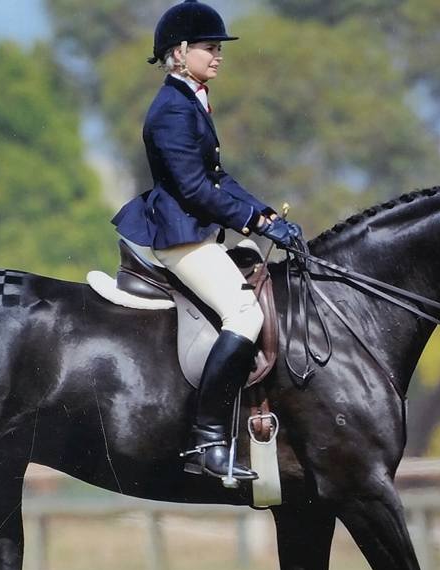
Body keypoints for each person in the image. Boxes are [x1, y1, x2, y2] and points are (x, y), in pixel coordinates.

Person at [112, 0, 302, 484]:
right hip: (181, 239)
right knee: (246, 314)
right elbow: (195, 189)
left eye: (218, 49)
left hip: (199, 232)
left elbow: (219, 177)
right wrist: (257, 227)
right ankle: (209, 438)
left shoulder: (191, 99)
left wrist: (264, 214)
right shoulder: (172, 110)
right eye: (209, 48)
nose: (218, 56)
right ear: (179, 51)